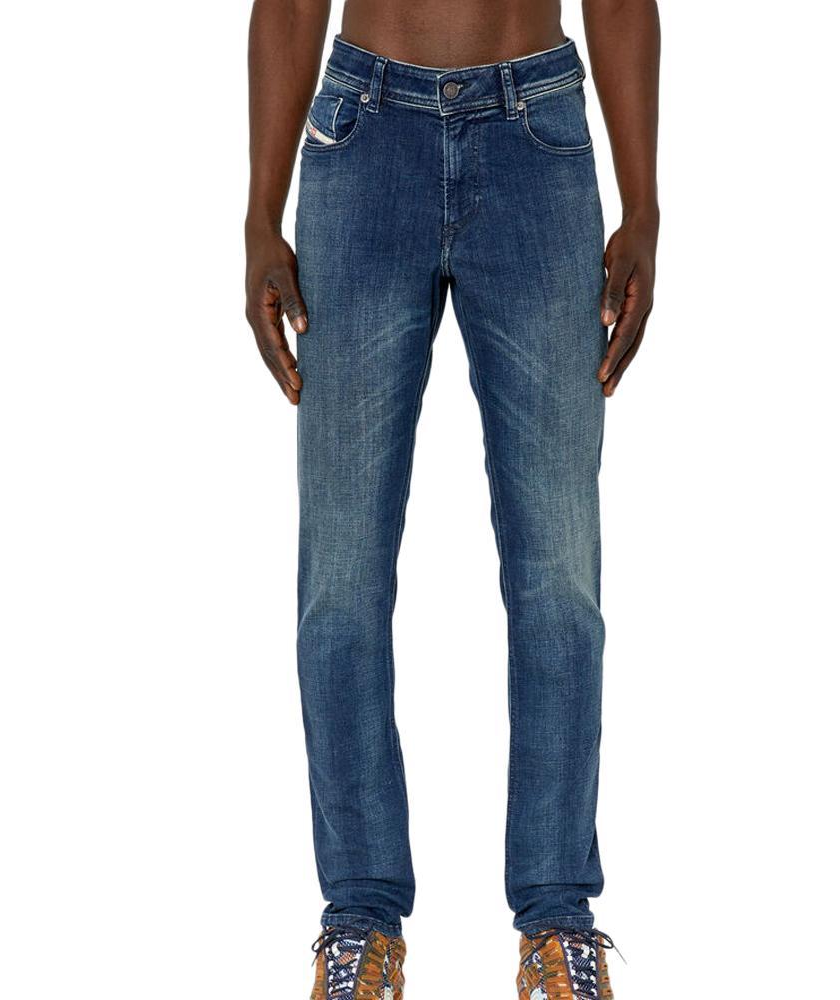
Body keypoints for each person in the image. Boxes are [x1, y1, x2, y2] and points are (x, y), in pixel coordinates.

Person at [244, 1, 659, 996]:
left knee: (559, 575)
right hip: (362, 136)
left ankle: (557, 920)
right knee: (341, 578)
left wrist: (643, 205)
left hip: (536, 141)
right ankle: (359, 920)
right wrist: (259, 214)